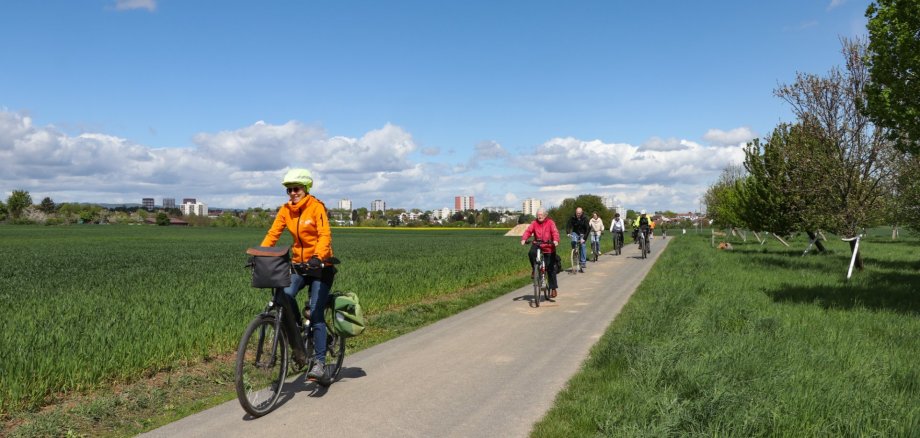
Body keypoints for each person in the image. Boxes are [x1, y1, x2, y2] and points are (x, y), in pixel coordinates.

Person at [260, 168, 335, 383]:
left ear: (306, 189)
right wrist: (262, 253)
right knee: (285, 294)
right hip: (299, 266)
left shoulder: (316, 207)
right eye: (289, 190)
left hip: (321, 266)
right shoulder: (285, 211)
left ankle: (320, 363)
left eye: (296, 189)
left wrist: (318, 256)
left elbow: (324, 235)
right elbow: (273, 233)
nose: (293, 193)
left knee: (316, 312)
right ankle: (300, 330)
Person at [520, 208, 560, 297]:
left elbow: (555, 232)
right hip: (538, 244)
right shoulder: (534, 223)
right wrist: (524, 239)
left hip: (549, 246)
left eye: (541, 214)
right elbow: (528, 231)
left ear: (545, 215)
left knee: (550, 268)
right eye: (538, 214)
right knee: (531, 253)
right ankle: (535, 269)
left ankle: (553, 288)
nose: (539, 216)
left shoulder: (550, 223)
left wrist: (556, 240)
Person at [566, 207, 589, 272]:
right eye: (577, 213)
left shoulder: (585, 218)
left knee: (582, 245)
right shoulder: (573, 217)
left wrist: (584, 239)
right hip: (575, 232)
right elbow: (568, 224)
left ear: (582, 213)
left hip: (583, 233)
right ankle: (574, 253)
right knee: (573, 241)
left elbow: (588, 229)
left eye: (579, 213)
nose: (578, 214)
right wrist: (568, 232)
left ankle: (583, 262)